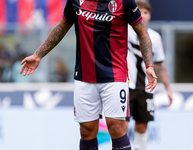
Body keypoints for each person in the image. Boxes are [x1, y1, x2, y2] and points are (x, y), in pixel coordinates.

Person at [20, 0, 157, 150]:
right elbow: (61, 27)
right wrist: (38, 55)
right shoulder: (76, 1)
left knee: (117, 128)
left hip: (115, 75)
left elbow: (143, 33)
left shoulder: (125, 2)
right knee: (86, 131)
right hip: (84, 76)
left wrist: (149, 65)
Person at [126, 1, 173, 150]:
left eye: (145, 12)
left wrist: (168, 88)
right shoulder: (123, 31)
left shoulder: (155, 37)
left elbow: (160, 65)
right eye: (139, 11)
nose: (142, 15)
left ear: (150, 15)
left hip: (146, 89)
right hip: (124, 86)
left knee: (142, 126)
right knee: (121, 125)